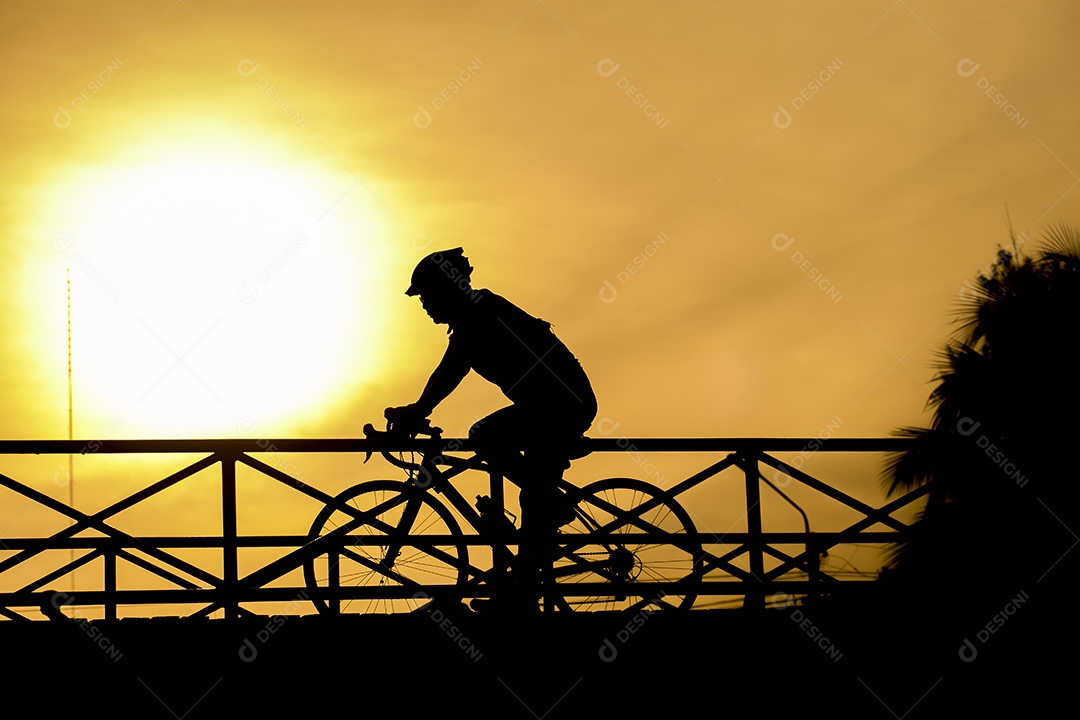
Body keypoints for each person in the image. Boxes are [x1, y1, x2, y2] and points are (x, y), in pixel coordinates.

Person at [385, 247, 597, 529]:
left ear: (444, 290)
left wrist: (418, 410)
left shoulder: (478, 316)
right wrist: (418, 408)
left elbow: (451, 371)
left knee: (485, 437)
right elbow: (446, 369)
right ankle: (537, 541)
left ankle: (548, 514)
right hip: (553, 406)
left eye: (426, 295)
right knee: (534, 504)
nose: (424, 304)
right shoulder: (473, 315)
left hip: (560, 407)